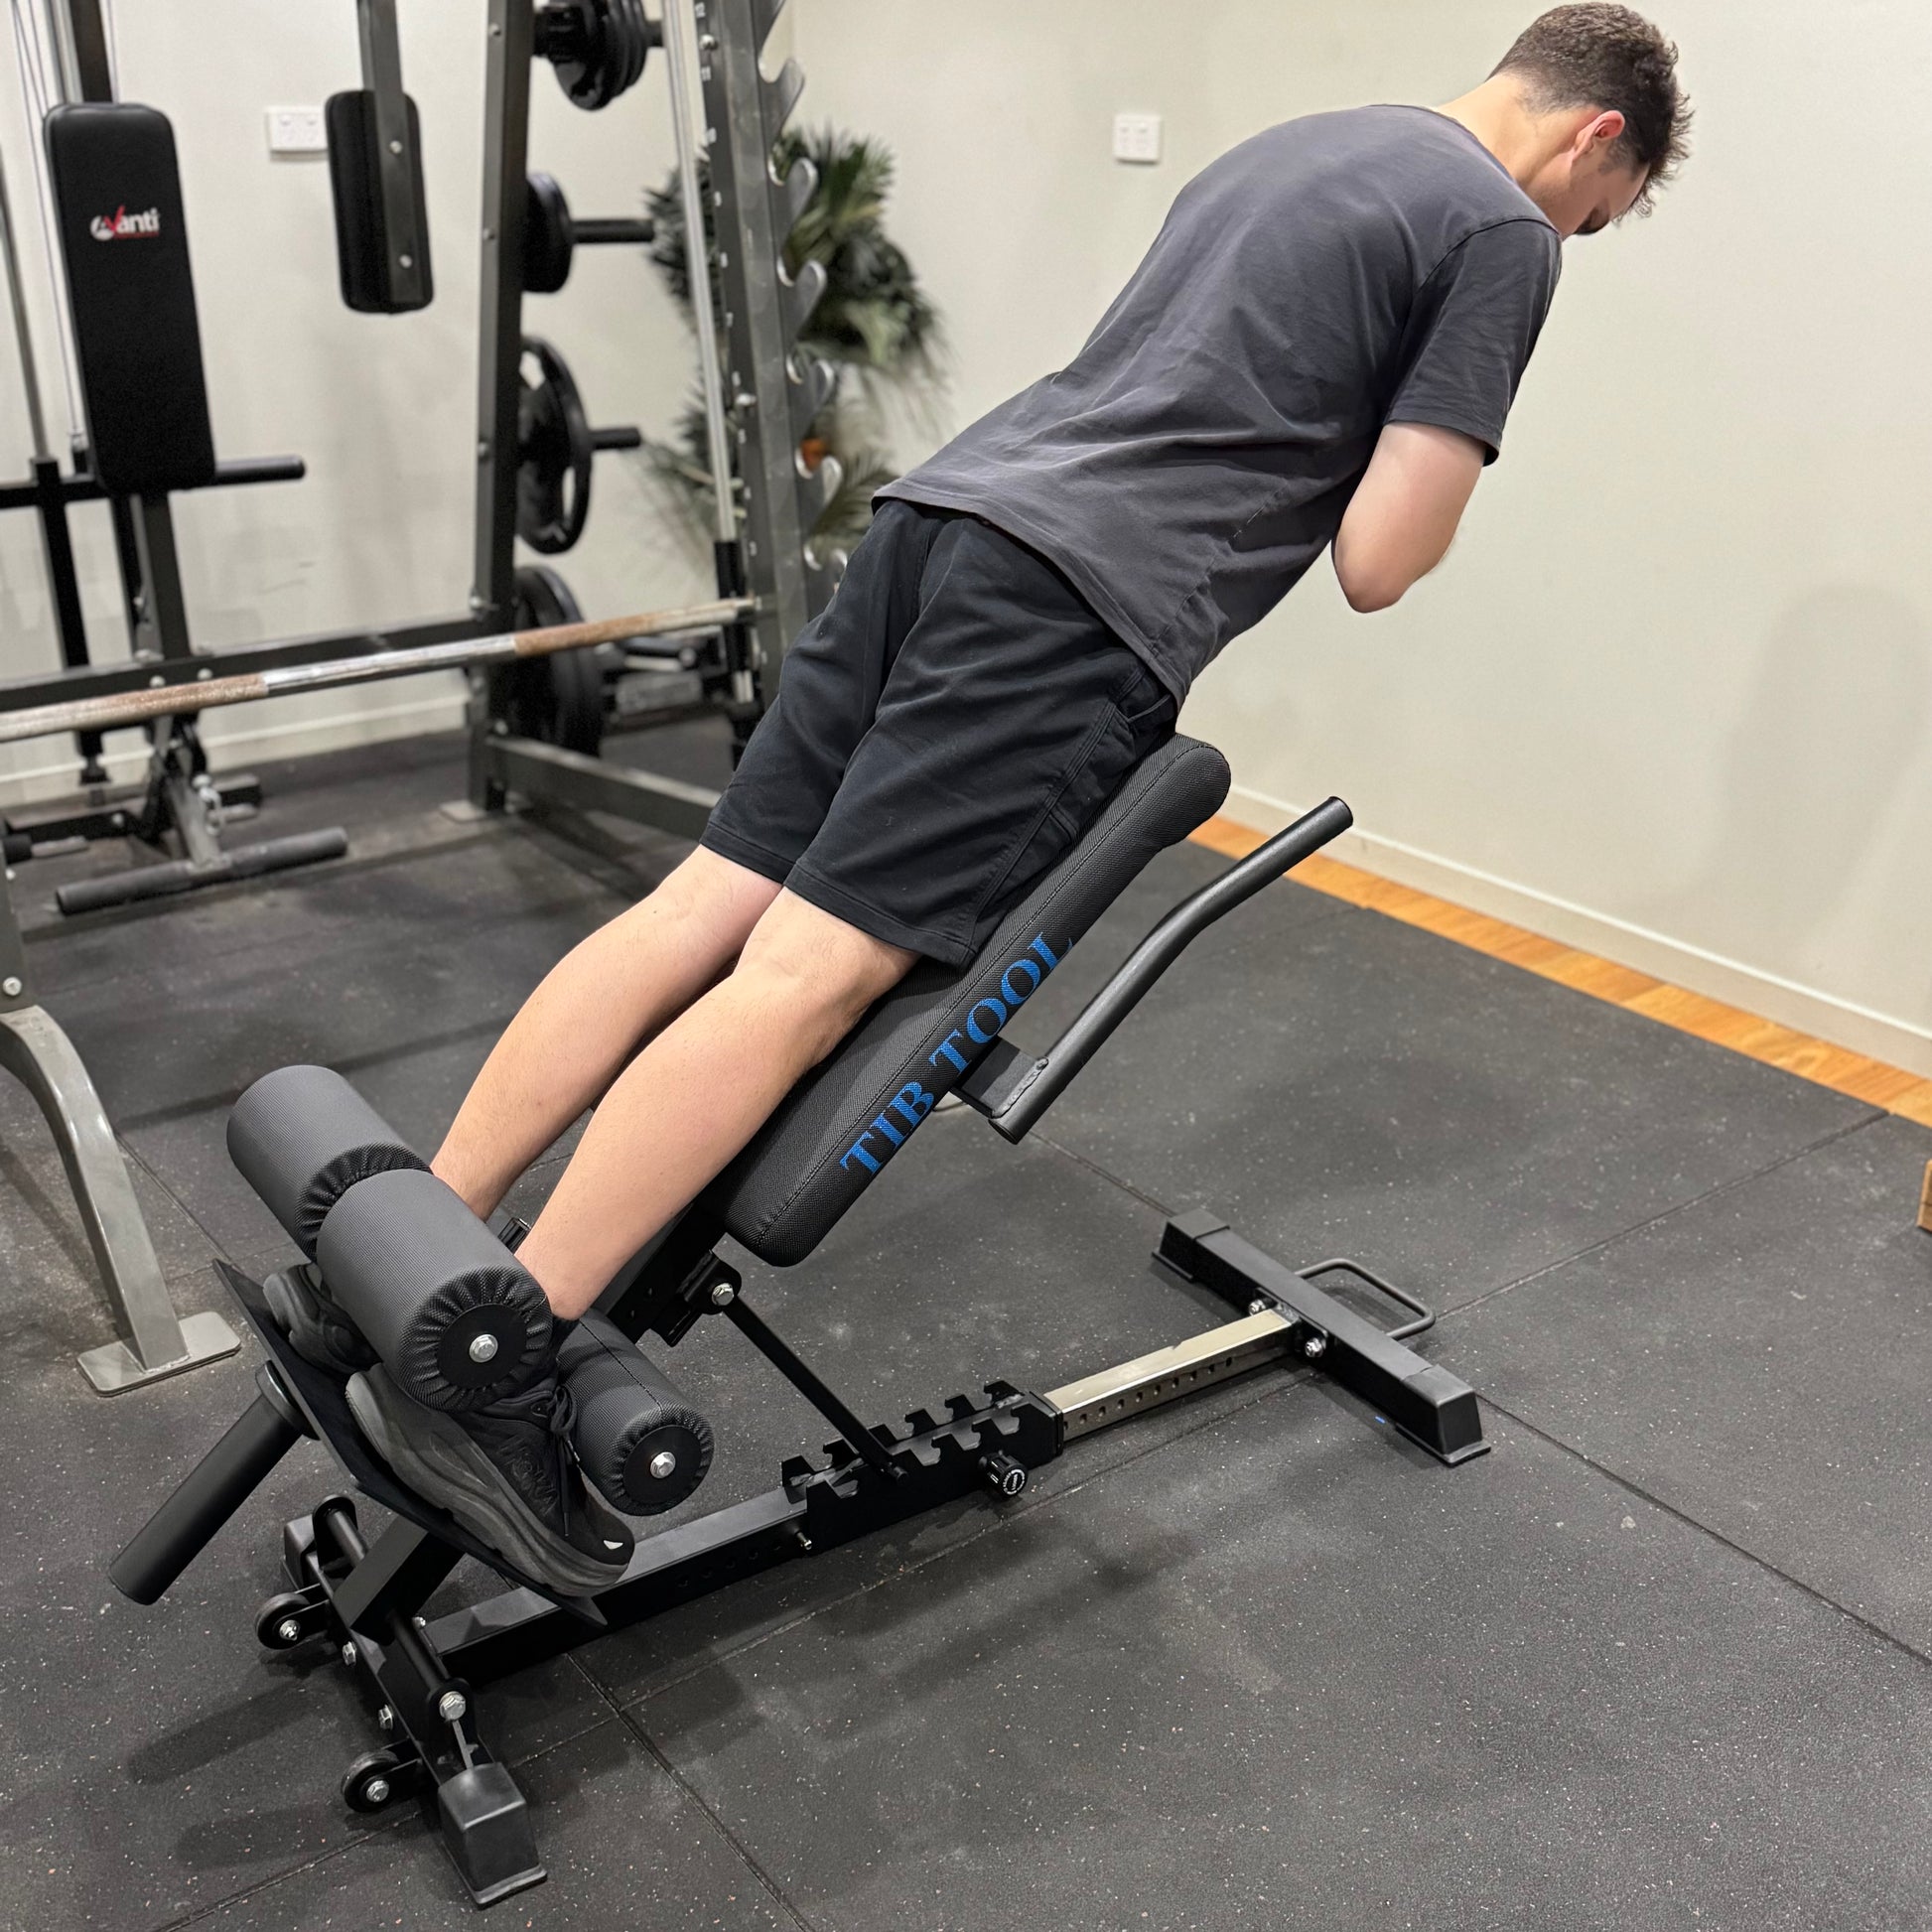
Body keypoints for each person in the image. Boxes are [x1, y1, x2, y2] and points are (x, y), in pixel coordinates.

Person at [278, 3, 1693, 1588]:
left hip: (941, 517)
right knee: (807, 979)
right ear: (1596, 142)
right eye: (1599, 211)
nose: (1579, 229)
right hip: (1077, 604)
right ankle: (490, 1373)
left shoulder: (1302, 146)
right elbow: (1379, 560)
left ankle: (395, 1260)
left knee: (700, 909)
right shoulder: (1505, 230)